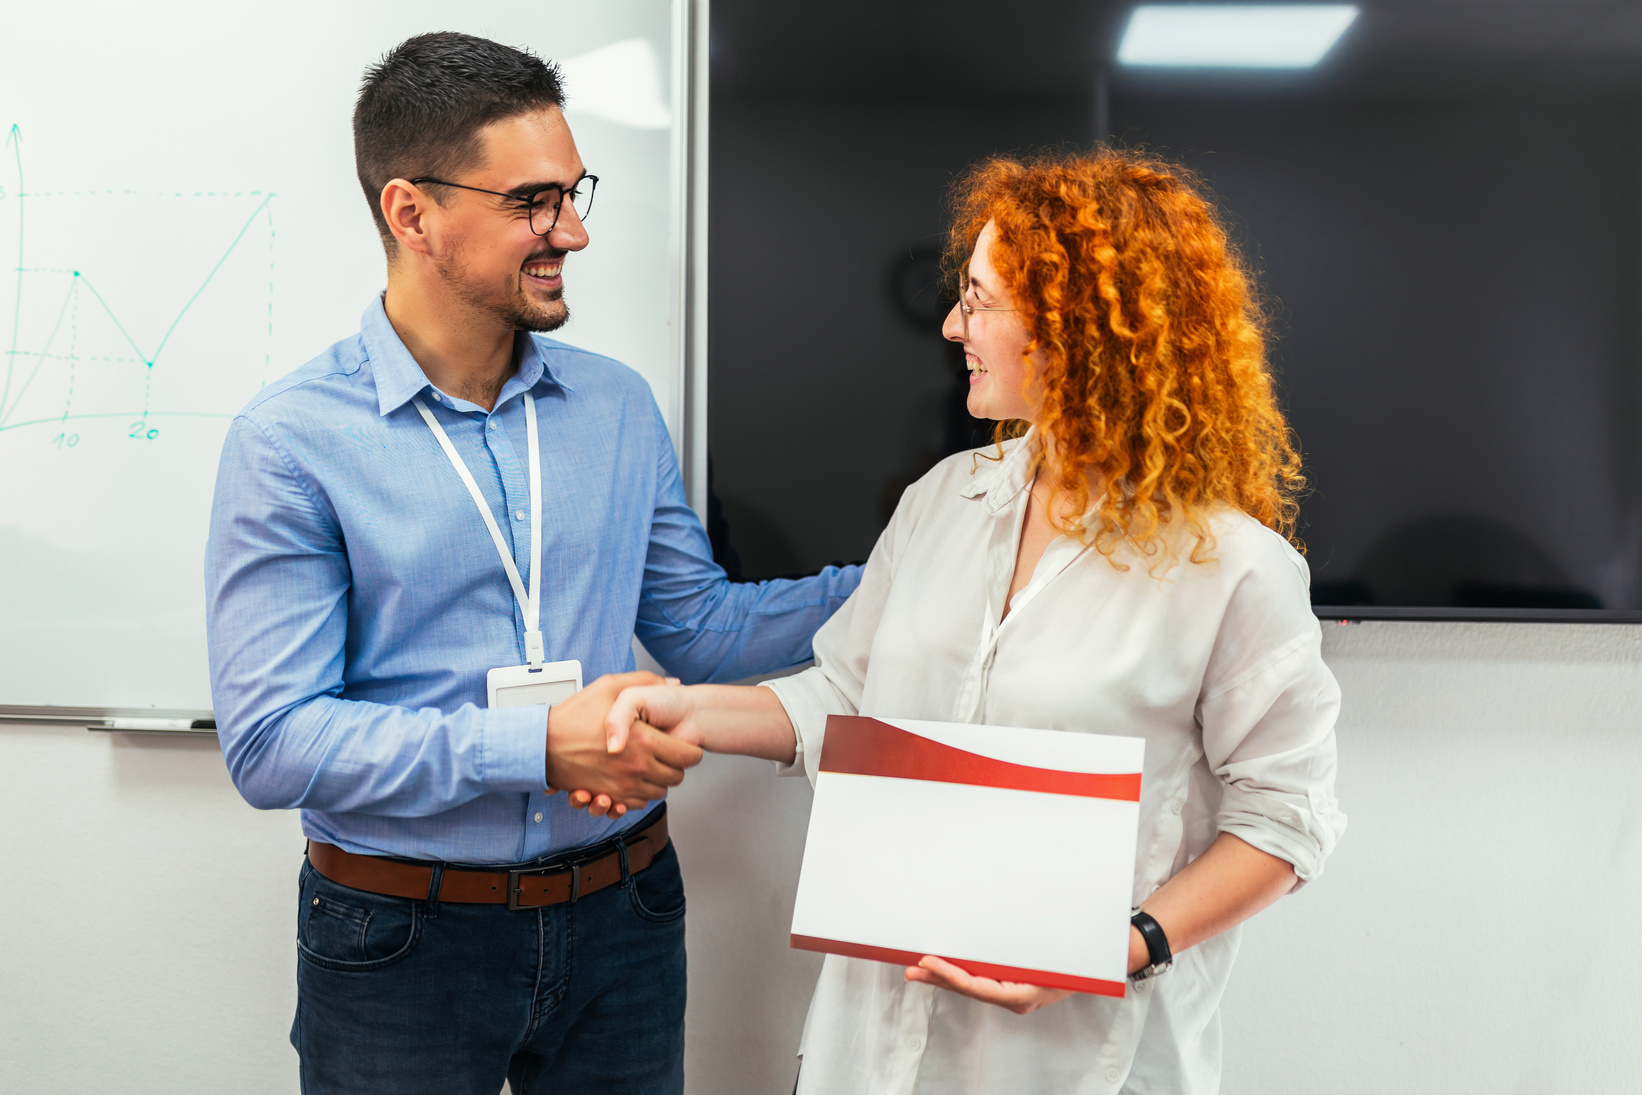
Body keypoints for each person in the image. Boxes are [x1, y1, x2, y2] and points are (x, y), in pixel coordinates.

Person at [587, 150, 1347, 1094]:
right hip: (873, 1045)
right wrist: (689, 712)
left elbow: (1285, 821)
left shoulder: (1235, 569)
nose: (953, 326)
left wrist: (1124, 945)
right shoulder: (947, 497)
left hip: (1080, 1055)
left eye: (979, 301)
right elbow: (848, 693)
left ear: (1073, 327)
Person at [203, 32, 860, 1095]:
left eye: (574, 191)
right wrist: (533, 748)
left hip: (626, 912)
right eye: (535, 202)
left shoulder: (615, 405)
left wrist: (920, 573)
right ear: (411, 214)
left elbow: (700, 629)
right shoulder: (290, 444)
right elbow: (274, 743)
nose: (577, 231)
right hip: (399, 938)